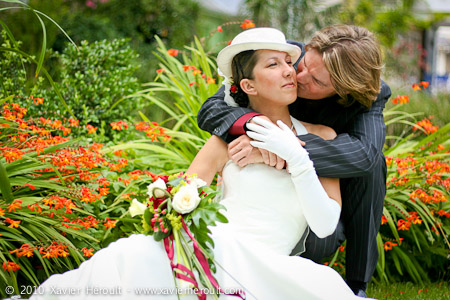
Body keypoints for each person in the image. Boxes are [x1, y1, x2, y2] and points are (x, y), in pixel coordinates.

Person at [31, 28, 367, 300]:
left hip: (271, 262)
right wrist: (170, 211)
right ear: (248, 85)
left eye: (287, 62)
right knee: (131, 260)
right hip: (218, 245)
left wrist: (296, 156)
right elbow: (180, 200)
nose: (289, 72)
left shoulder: (323, 136)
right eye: (272, 65)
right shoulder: (226, 141)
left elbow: (324, 226)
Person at [197, 25, 391, 297]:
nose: (297, 76)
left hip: (315, 219)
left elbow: (364, 155)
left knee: (374, 165)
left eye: (318, 82)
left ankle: (357, 285)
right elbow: (211, 110)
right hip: (244, 220)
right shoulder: (283, 56)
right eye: (302, 65)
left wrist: (285, 148)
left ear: (344, 90)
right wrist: (255, 129)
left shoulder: (367, 94)